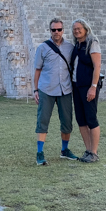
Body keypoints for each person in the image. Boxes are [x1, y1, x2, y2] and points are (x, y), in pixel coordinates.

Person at [33, 18, 80, 165]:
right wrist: (35, 89)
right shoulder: (43, 48)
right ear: (50, 31)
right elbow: (37, 70)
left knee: (67, 121)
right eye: (54, 30)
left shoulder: (70, 47)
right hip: (46, 89)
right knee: (43, 120)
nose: (56, 32)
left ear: (63, 30)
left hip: (65, 89)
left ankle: (64, 150)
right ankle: (40, 153)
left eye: (59, 29)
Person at [70, 18, 102, 162]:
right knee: (81, 120)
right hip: (77, 86)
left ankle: (94, 152)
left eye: (79, 28)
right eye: (74, 29)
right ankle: (88, 150)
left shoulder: (92, 43)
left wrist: (93, 87)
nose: (77, 31)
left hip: (89, 86)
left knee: (91, 118)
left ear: (85, 29)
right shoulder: (77, 45)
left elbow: (97, 67)